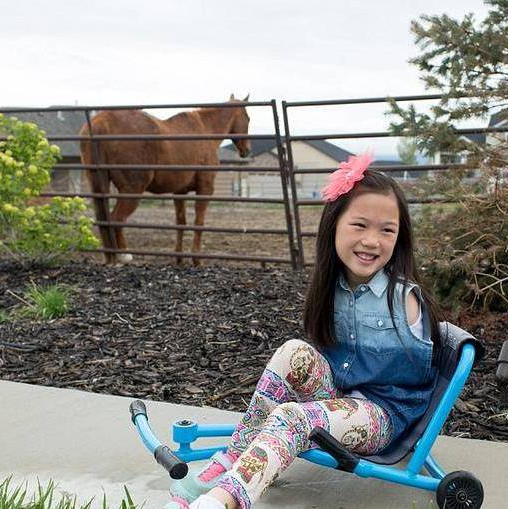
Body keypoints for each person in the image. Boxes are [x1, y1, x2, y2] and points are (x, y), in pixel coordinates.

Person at [166, 152, 444, 509]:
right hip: (344, 398)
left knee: (292, 417)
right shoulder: (337, 285)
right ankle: (230, 461)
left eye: (387, 230)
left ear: (399, 237)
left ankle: (224, 499)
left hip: (384, 416)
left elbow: (418, 373)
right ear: (334, 226)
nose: (372, 240)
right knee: (292, 351)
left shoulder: (402, 299)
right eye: (359, 225)